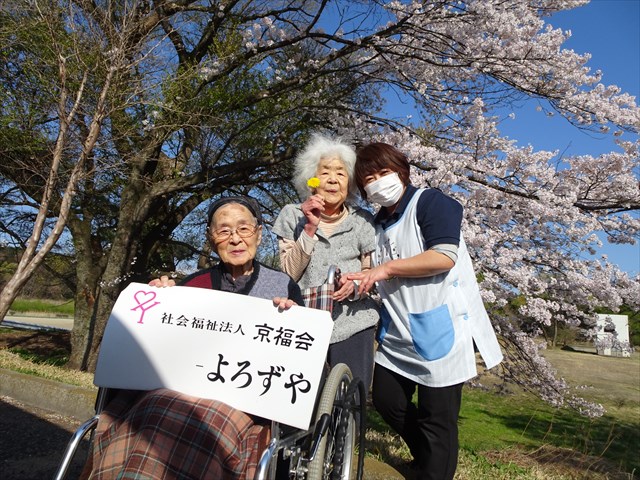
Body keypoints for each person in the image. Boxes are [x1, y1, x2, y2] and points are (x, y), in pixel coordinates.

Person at [82, 195, 303, 480]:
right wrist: (157, 301)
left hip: (241, 405)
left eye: (244, 229)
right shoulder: (190, 286)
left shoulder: (283, 286)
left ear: (259, 235)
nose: (235, 239)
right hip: (175, 395)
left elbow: (297, 358)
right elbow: (157, 347)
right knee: (155, 409)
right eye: (224, 231)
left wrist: (291, 319)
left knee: (209, 422)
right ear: (211, 239)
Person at [348, 142, 503, 480]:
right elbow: (374, 270)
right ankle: (428, 457)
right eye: (369, 179)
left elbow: (443, 256)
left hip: (439, 329)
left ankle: (434, 469)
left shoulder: (430, 203)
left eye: (384, 172)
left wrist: (387, 270)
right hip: (398, 332)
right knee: (387, 401)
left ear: (402, 171)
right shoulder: (376, 224)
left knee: (438, 418)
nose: (378, 182)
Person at [272, 133, 379, 392]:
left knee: (351, 396)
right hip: (303, 319)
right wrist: (309, 228)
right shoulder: (292, 215)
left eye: (341, 173)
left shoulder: (363, 220)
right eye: (325, 172)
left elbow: (371, 272)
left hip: (354, 319)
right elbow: (288, 273)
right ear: (311, 179)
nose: (332, 179)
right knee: (300, 394)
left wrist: (356, 286)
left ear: (349, 183)